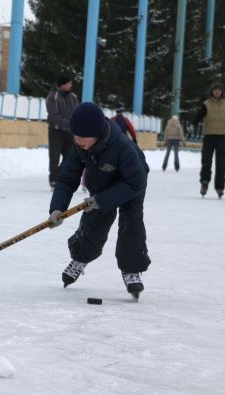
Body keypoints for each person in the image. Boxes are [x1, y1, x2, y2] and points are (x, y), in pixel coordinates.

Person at [48, 102, 150, 298]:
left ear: (96, 133)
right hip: (102, 180)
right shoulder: (81, 146)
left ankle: (131, 269)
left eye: (82, 136)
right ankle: (80, 258)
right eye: (74, 136)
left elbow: (136, 183)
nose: (77, 141)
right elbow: (67, 178)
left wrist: (102, 200)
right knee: (93, 220)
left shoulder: (123, 146)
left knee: (132, 223)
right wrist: (57, 208)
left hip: (132, 183)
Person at [192, 82, 225, 198]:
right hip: (208, 137)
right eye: (215, 90)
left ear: (222, 92)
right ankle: (204, 182)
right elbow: (198, 117)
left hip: (222, 137)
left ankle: (220, 187)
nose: (217, 92)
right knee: (206, 161)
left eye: (219, 90)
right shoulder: (206, 104)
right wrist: (192, 125)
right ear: (212, 91)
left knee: (221, 163)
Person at [46, 75, 78, 190]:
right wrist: (69, 124)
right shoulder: (53, 97)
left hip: (70, 132)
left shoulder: (73, 97)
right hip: (56, 131)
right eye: (69, 83)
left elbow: (77, 112)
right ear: (62, 85)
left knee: (69, 157)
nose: (71, 85)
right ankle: (53, 180)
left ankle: (59, 175)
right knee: (54, 156)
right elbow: (53, 115)